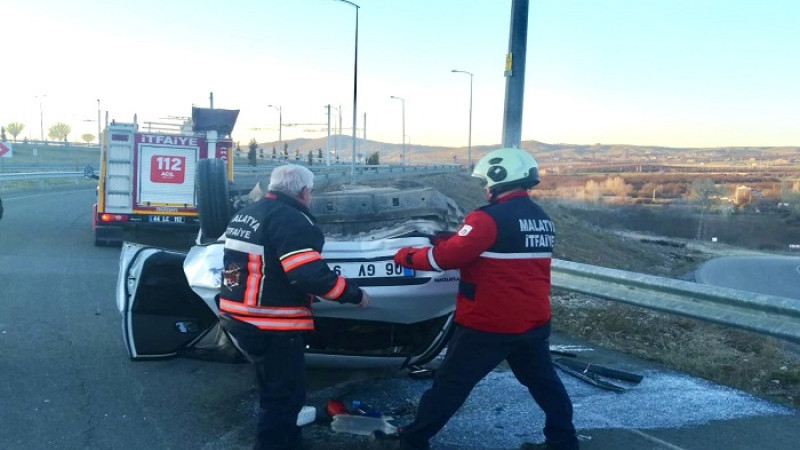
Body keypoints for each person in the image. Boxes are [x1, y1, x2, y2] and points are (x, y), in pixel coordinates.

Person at [379, 148, 579, 450]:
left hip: (488, 323)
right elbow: (490, 247)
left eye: (485, 180)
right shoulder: (542, 218)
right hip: (533, 321)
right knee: (545, 384)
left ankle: (411, 440)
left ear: (500, 176)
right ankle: (563, 442)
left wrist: (405, 256)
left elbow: (445, 259)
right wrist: (452, 238)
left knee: (450, 385)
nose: (484, 187)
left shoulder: (487, 217)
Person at [219, 164, 371, 450]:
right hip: (271, 323)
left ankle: (289, 441)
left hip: (237, 315)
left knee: (273, 391)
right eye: (310, 192)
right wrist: (352, 294)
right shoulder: (292, 220)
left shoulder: (246, 214)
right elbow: (306, 273)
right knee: (284, 398)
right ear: (303, 191)